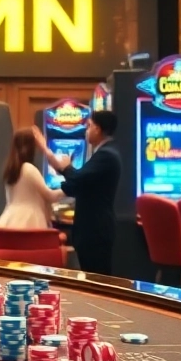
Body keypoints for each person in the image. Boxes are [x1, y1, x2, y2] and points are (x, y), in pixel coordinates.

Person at [36, 110, 120, 275]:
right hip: (91, 231)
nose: (87, 130)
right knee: (92, 280)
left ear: (98, 129)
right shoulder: (102, 153)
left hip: (96, 231)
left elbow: (78, 179)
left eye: (89, 126)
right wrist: (46, 151)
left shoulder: (107, 155)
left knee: (98, 283)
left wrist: (67, 167)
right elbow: (76, 184)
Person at [0, 128, 63, 229]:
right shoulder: (28, 168)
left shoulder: (10, 168)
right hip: (30, 221)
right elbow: (50, 196)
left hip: (9, 219)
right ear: (30, 147)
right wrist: (70, 187)